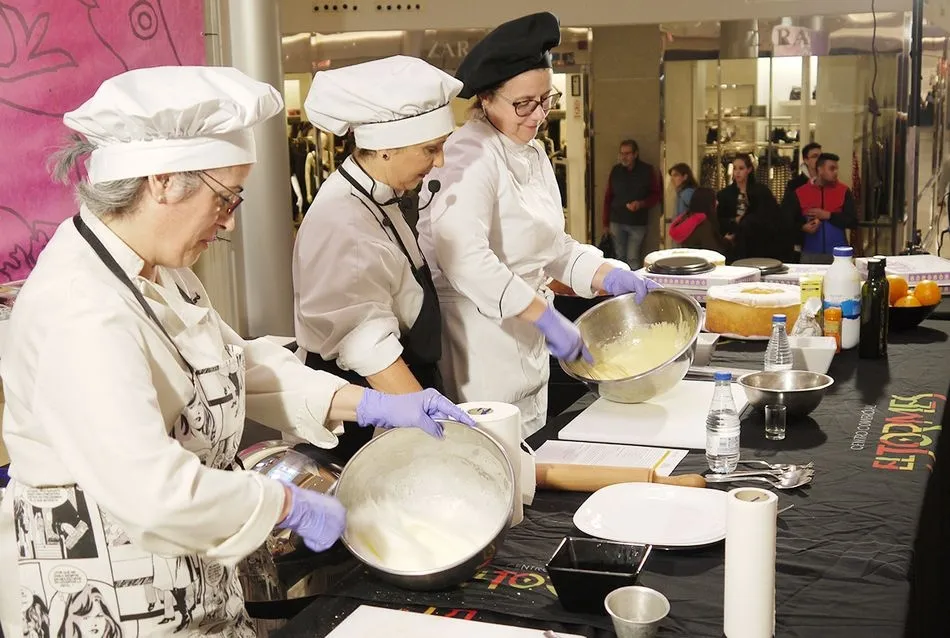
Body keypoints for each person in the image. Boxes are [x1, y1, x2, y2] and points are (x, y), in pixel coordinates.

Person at [0, 66, 474, 638]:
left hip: (187, 581)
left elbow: (233, 363)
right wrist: (283, 505)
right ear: (163, 182)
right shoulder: (79, 308)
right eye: (225, 198)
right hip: (109, 598)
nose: (228, 221)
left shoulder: (156, 267)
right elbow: (152, 491)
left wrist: (368, 404)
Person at [417, 12, 659, 436]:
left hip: (527, 339)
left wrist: (608, 274)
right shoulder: (467, 155)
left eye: (546, 99)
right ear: (487, 99)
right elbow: (466, 260)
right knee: (493, 453)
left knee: (532, 451)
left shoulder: (534, 154)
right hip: (480, 340)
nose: (537, 115)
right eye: (523, 103)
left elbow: (555, 248)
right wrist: (544, 318)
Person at [293, 56, 464, 460]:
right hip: (358, 423)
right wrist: (445, 446)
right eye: (430, 149)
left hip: (400, 388)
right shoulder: (343, 223)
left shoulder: (379, 197)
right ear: (386, 149)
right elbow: (369, 349)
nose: (440, 161)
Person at [785, 152, 858, 264]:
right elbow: (786, 222)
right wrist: (802, 227)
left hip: (839, 256)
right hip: (810, 254)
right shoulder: (800, 193)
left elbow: (853, 221)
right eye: (832, 169)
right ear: (820, 169)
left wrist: (828, 215)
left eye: (836, 169)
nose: (836, 172)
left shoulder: (844, 191)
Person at [716, 153, 791, 262]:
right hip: (735, 242)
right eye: (735, 168)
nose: (737, 172)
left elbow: (771, 217)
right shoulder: (725, 194)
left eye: (741, 168)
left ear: (749, 169)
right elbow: (719, 219)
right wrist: (733, 221)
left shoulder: (761, 191)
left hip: (759, 242)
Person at [602, 139, 662, 269]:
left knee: (633, 257)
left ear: (635, 154)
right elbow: (608, 197)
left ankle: (634, 286)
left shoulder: (647, 170)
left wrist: (641, 204)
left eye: (627, 153)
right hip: (617, 220)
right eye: (622, 153)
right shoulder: (616, 171)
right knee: (619, 257)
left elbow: (656, 195)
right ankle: (621, 287)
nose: (624, 157)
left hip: (637, 223)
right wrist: (605, 223)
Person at [668, 187, 727, 253]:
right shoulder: (704, 225)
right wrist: (726, 242)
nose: (717, 202)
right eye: (714, 199)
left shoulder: (687, 218)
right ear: (707, 203)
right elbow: (713, 252)